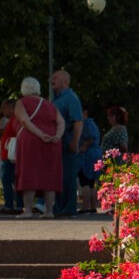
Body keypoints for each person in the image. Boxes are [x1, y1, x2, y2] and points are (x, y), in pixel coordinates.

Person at [13, 76, 64, 219]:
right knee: (49, 175)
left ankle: (28, 210)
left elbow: (24, 121)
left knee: (29, 172)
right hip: (52, 141)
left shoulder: (21, 103)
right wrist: (58, 136)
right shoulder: (49, 104)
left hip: (31, 140)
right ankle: (49, 211)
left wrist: (40, 134)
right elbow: (61, 122)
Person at [50, 70, 83, 217]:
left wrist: (75, 141)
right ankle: (59, 207)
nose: (52, 80)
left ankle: (68, 208)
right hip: (58, 143)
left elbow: (77, 121)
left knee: (67, 176)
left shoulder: (70, 98)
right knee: (59, 175)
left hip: (67, 141)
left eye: (55, 78)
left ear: (65, 81)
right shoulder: (56, 98)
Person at [0, 99, 23, 214]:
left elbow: (1, 136)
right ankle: (18, 205)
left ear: (13, 109)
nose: (3, 110)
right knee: (14, 181)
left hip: (9, 156)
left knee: (6, 180)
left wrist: (1, 128)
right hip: (9, 155)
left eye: (6, 108)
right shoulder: (11, 120)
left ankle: (9, 205)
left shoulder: (12, 121)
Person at [77, 105, 102, 214]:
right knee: (92, 182)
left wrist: (83, 147)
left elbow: (89, 137)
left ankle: (85, 207)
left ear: (85, 112)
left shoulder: (86, 123)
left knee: (85, 181)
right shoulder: (94, 124)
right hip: (96, 153)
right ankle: (92, 206)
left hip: (87, 155)